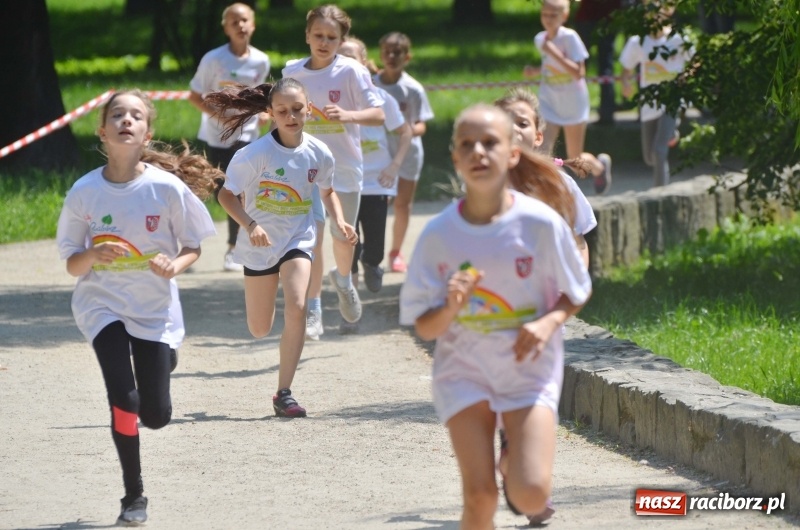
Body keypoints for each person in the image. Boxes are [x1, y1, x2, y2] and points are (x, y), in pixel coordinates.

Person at [399, 104, 592, 529]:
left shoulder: (541, 224)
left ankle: (517, 465)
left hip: (528, 371)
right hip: (464, 372)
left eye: (490, 143)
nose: (479, 152)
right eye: (467, 144)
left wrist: (546, 323)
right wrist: (450, 306)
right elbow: (425, 327)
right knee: (480, 496)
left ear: (513, 154)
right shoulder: (439, 235)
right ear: (455, 158)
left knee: (531, 493)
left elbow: (577, 291)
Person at [56, 89, 218, 526]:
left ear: (147, 132)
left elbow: (193, 246)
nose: (126, 121)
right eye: (117, 115)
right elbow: (72, 262)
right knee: (122, 398)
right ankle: (134, 495)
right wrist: (91, 256)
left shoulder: (166, 188)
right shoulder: (84, 192)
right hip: (101, 305)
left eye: (136, 116)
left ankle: (165, 358)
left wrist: (175, 263)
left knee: (157, 416)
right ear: (102, 130)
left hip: (153, 308)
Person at [204, 78, 357, 417]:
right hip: (259, 243)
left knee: (298, 304)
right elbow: (226, 195)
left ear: (309, 111)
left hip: (297, 237)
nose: (291, 116)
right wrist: (250, 224)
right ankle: (269, 320)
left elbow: (327, 191)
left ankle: (284, 393)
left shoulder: (319, 153)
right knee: (260, 328)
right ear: (270, 113)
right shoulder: (254, 154)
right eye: (283, 111)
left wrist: (341, 222)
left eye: (298, 109)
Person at [282, 4, 385, 339]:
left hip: (344, 167)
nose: (324, 43)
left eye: (331, 37)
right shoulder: (292, 71)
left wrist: (346, 115)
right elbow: (283, 113)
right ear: (307, 36)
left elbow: (378, 115)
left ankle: (342, 280)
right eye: (318, 36)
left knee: (344, 235)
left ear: (342, 40)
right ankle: (313, 307)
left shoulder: (352, 71)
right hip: (305, 169)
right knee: (311, 239)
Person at [337, 36, 413, 333]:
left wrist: (395, 166)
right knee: (347, 250)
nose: (344, 63)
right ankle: (349, 313)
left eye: (350, 57)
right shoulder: (327, 98)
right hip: (344, 184)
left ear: (364, 62)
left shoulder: (381, 98)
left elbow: (404, 133)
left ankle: (374, 262)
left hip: (377, 182)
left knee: (374, 247)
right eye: (339, 57)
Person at [188, 2, 270, 272]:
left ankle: (234, 248)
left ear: (254, 25)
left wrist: (265, 112)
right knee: (216, 191)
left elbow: (260, 96)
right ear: (225, 28)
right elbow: (195, 95)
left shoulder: (260, 60)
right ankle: (188, 245)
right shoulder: (213, 59)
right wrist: (219, 116)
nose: (241, 26)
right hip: (216, 136)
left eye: (245, 20)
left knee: (240, 191)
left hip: (246, 136)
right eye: (234, 22)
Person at [495, 87, 597, 269]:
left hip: (550, 287)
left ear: (538, 137)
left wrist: (575, 289)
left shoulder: (557, 182)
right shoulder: (485, 185)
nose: (513, 128)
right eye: (505, 123)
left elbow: (577, 241)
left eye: (522, 123)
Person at [523, 0, 613, 196]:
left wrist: (553, 53)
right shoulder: (541, 39)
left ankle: (599, 167)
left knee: (575, 157)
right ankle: (559, 192)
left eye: (553, 15)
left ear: (564, 16)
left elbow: (578, 72)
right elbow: (550, 66)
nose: (548, 19)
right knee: (541, 152)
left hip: (573, 102)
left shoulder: (570, 37)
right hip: (548, 101)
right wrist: (536, 70)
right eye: (544, 14)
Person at [373, 31, 435, 274]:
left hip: (407, 153)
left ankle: (396, 252)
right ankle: (372, 252)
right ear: (380, 54)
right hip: (377, 153)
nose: (391, 56)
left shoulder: (413, 89)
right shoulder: (372, 83)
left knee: (402, 204)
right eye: (387, 51)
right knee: (377, 203)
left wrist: (408, 130)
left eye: (397, 52)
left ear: (407, 57)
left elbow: (422, 124)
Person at [619, 1, 695, 187]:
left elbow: (695, 61)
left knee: (659, 151)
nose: (653, 15)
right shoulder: (638, 41)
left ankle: (660, 193)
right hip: (649, 101)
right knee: (649, 157)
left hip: (672, 99)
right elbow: (626, 66)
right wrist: (626, 84)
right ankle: (671, 134)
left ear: (668, 11)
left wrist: (686, 75)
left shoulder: (678, 38)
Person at [574, 0, 622, 125]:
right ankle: (604, 113)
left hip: (598, 15)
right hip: (606, 15)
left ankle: (604, 113)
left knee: (584, 64)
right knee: (581, 65)